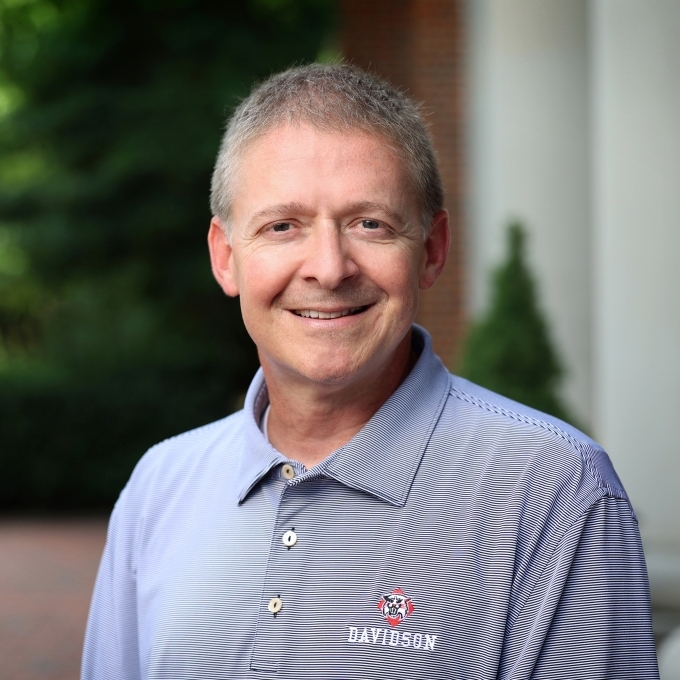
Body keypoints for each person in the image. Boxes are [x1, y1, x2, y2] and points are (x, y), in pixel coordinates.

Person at [82, 64, 659, 679]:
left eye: (370, 224)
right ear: (227, 259)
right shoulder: (161, 486)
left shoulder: (551, 489)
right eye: (283, 226)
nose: (329, 269)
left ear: (431, 251)